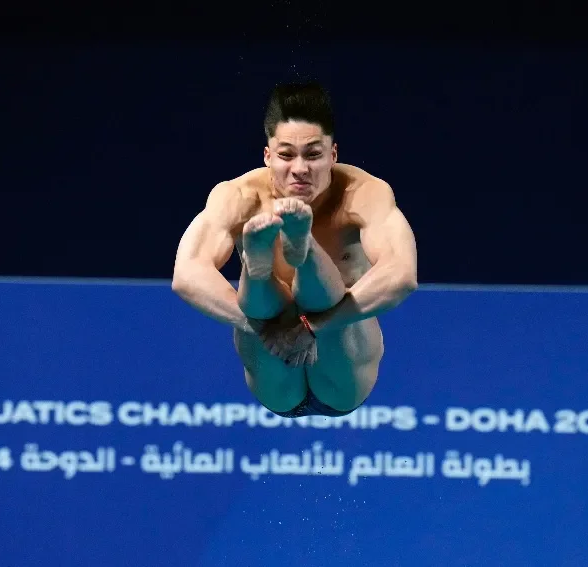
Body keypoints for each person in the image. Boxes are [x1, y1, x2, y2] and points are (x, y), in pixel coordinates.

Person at [172, 82, 418, 418]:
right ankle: (260, 271)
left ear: (333, 154)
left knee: (324, 297)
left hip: (340, 355)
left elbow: (402, 275)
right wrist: (261, 329)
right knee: (262, 305)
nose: (300, 169)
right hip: (272, 347)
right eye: (286, 155)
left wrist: (313, 328)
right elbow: (186, 275)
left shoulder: (364, 194)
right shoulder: (238, 196)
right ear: (267, 155)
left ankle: (301, 250)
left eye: (313, 154)